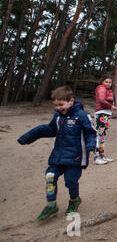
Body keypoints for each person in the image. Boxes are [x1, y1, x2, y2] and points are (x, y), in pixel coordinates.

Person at [17, 86, 97, 221]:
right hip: (58, 156)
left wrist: (91, 145)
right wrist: (29, 137)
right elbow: (49, 130)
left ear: (71, 101)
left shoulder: (83, 116)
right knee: (50, 176)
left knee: (70, 181)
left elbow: (91, 132)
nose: (58, 107)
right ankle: (51, 205)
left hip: (75, 158)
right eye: (55, 105)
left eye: (61, 104)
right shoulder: (58, 117)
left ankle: (74, 200)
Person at [94, 75, 117, 165]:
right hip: (101, 114)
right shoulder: (101, 88)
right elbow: (101, 100)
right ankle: (96, 158)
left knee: (102, 136)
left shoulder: (108, 90)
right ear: (102, 82)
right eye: (106, 82)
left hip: (106, 114)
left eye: (110, 82)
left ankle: (102, 156)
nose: (108, 84)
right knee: (99, 136)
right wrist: (111, 106)